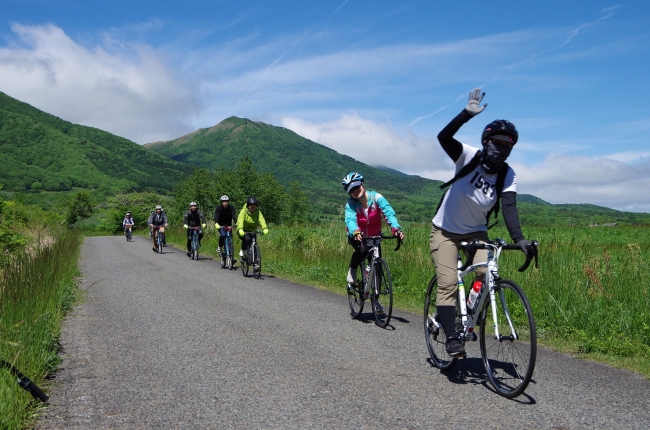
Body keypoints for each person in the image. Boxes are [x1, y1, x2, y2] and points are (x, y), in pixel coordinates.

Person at [431, 88, 533, 357]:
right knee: (448, 283)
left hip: (477, 231)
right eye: (497, 143)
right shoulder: (468, 156)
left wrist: (519, 238)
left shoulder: (507, 176)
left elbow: (509, 209)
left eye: (507, 146)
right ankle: (451, 336)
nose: (502, 150)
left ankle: (469, 319)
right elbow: (443, 137)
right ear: (486, 142)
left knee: (486, 275)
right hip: (445, 230)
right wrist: (466, 114)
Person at [342, 172, 404, 313]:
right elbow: (350, 219)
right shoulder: (351, 204)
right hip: (358, 236)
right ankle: (352, 269)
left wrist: (396, 228)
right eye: (351, 190)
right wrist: (355, 231)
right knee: (362, 250)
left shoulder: (376, 198)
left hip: (375, 236)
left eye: (357, 187)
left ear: (362, 184)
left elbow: (388, 212)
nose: (355, 191)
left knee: (377, 267)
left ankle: (376, 301)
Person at [236, 196, 268, 261]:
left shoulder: (258, 212)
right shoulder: (243, 211)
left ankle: (256, 264)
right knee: (247, 239)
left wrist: (265, 228)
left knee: (254, 245)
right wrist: (240, 229)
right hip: (242, 231)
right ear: (248, 205)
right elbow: (240, 221)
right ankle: (243, 250)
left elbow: (261, 219)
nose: (253, 207)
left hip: (252, 231)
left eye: (254, 205)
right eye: (251, 205)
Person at [214, 195, 237, 259]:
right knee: (223, 235)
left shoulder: (231, 207)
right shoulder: (219, 208)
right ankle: (220, 246)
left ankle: (231, 256)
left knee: (230, 239)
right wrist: (216, 223)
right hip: (221, 226)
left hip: (229, 226)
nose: (225, 203)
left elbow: (234, 216)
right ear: (221, 202)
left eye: (226, 201)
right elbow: (217, 216)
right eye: (223, 202)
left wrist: (237, 222)